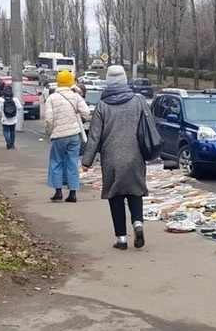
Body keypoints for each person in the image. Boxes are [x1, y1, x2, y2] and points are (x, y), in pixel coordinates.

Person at [82, 65, 149, 251]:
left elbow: (94, 136)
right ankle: (138, 224)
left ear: (108, 81)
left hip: (111, 158)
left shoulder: (103, 105)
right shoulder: (138, 101)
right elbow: (149, 126)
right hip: (135, 155)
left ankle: (121, 239)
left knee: (115, 195)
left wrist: (87, 161)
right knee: (135, 191)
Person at [45, 70, 90, 203]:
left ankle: (58, 191)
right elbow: (86, 112)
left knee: (56, 161)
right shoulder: (75, 96)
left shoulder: (52, 98)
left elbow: (48, 119)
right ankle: (73, 193)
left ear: (58, 82)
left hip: (58, 135)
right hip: (74, 135)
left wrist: (50, 131)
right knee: (72, 162)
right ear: (71, 81)